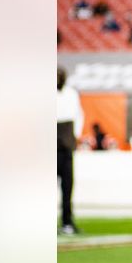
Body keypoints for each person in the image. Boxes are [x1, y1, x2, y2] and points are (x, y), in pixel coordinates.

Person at [57, 67, 84, 235]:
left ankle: (67, 221)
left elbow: (78, 115)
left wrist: (75, 135)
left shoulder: (71, 93)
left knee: (67, 186)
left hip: (66, 140)